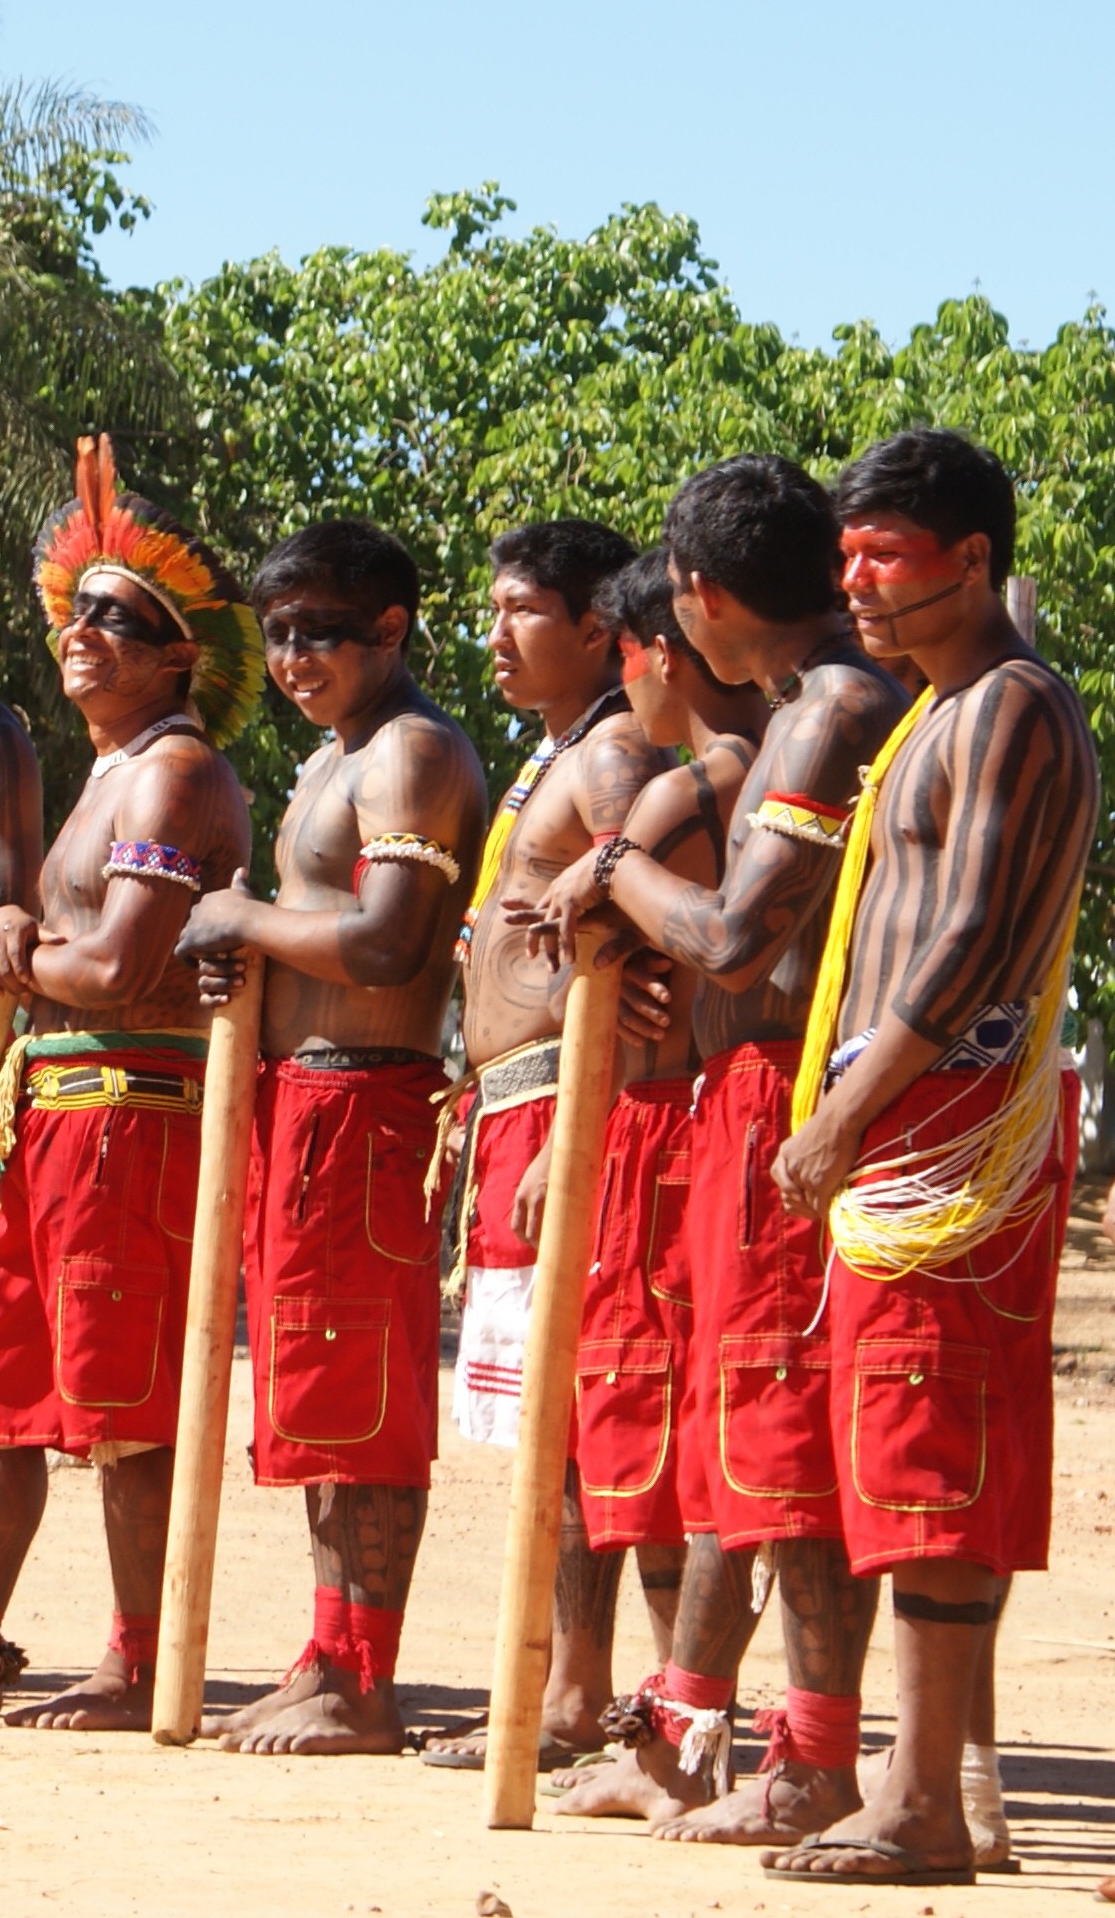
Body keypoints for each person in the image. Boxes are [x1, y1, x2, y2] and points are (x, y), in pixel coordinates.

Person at [515, 457, 907, 1845]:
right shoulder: (810, 712)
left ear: (700, 599)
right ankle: (685, 1730)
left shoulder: (825, 712)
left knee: (784, 1429)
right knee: (747, 1429)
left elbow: (737, 940)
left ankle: (812, 1757)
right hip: (756, 1097)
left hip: (791, 1098)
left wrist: (616, 871)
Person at [0, 436, 256, 1728]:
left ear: (178, 655)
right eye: (76, 614)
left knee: (121, 1402)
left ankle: (136, 1659)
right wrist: (19, 949)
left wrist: (15, 951)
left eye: (119, 619)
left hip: (131, 1115)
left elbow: (127, 961)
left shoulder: (176, 770)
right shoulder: (109, 769)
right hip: (49, 1112)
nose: (84, 634)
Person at [761, 431, 1093, 1887]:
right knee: (904, 1441)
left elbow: (965, 939)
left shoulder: (1010, 704)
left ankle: (924, 1804)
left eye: (884, 555)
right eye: (847, 557)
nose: (857, 583)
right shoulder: (936, 710)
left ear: (970, 559)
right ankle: (934, 1785)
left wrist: (845, 1110)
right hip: (909, 1113)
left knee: (930, 1438)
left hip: (946, 1111)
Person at [175, 519, 485, 1753]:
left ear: (390, 629)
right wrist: (241, 948)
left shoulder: (409, 753)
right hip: (302, 1099)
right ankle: (328, 1647)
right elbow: (311, 925)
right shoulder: (332, 756)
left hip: (366, 1106)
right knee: (314, 1392)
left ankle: (365, 1674)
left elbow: (387, 941)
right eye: (279, 633)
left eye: (322, 632)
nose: (294, 657)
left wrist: (243, 921)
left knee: (363, 1397)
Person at [419, 521, 668, 1771]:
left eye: (522, 610)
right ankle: (564, 1686)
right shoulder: (558, 754)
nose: (497, 635)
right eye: (493, 609)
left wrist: (579, 1114)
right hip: (516, 1104)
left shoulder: (614, 752)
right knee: (548, 1423)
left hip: (567, 1106)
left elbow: (645, 937)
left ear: (595, 628)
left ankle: (589, 1697)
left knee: (587, 1413)